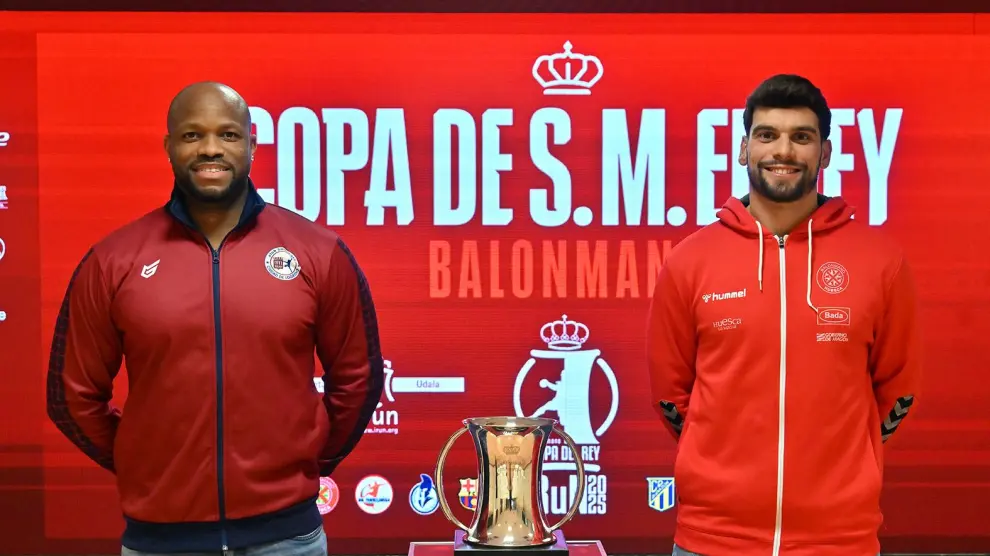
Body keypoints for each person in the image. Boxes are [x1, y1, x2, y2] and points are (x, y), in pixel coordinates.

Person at [45, 82, 385, 556]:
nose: (209, 148)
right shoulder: (113, 260)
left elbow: (357, 380)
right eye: (191, 136)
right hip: (159, 542)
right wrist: (145, 464)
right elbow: (71, 398)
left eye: (227, 134)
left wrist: (306, 465)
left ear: (251, 144)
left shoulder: (317, 252)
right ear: (168, 146)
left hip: (287, 538)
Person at [647, 74, 922, 556]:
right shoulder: (690, 261)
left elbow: (897, 390)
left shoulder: (881, 262)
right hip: (712, 539)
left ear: (826, 154)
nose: (784, 151)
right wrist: (718, 464)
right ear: (742, 149)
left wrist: (847, 467)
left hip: (840, 540)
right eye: (767, 135)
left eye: (802, 137)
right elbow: (672, 394)